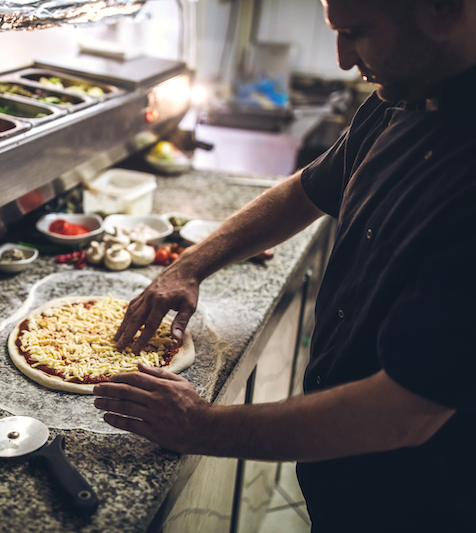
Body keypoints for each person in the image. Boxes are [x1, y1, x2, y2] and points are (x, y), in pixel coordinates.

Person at [93, 0, 476, 530]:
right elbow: (307, 190)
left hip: (419, 498)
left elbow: (406, 410)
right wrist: (188, 266)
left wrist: (201, 426)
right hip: (340, 474)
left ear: (444, 13)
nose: (342, 60)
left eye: (357, 33)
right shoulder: (400, 97)